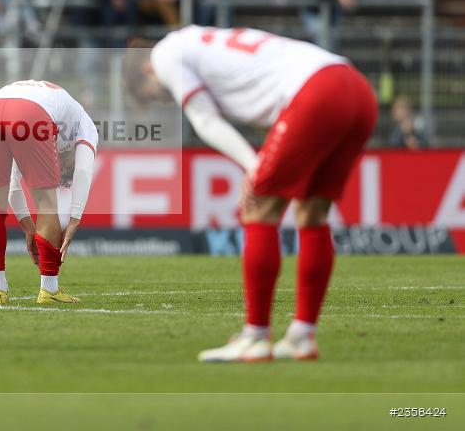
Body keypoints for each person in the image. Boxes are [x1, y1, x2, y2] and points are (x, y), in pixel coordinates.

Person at [124, 26, 377, 362]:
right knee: (311, 213)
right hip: (355, 87)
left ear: (147, 70)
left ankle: (255, 336)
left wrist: (252, 165)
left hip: (317, 90)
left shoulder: (165, 55)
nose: (165, 97)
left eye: (155, 94)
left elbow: (204, 120)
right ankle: (302, 336)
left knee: (257, 210)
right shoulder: (196, 39)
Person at [0, 79, 98, 305]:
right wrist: (74, 220)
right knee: (47, 204)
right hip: (30, 111)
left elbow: (13, 184)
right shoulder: (85, 123)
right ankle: (49, 290)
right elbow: (82, 169)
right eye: (65, 169)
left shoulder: (61, 113)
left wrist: (28, 227)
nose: (64, 172)